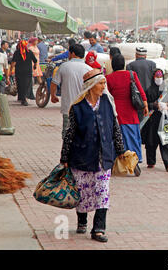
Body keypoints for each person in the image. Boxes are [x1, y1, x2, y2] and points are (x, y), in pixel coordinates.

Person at [60, 69, 125, 243]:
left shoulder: (107, 103)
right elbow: (70, 133)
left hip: (103, 158)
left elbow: (114, 128)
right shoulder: (77, 107)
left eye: (104, 83)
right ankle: (82, 220)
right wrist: (64, 158)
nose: (104, 86)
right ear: (91, 86)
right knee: (82, 192)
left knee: (102, 192)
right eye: (101, 83)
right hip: (81, 156)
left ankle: (98, 229)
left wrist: (121, 151)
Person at [106, 54, 148, 168]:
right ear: (123, 64)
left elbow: (107, 97)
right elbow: (140, 90)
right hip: (131, 111)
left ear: (113, 65)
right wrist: (145, 105)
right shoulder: (131, 75)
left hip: (116, 112)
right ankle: (135, 160)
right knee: (132, 136)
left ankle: (116, 161)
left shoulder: (108, 78)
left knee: (116, 137)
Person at [51, 44, 92, 138]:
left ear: (72, 54)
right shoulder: (89, 69)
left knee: (67, 136)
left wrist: (53, 95)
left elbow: (54, 83)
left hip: (68, 108)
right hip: (84, 109)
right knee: (82, 136)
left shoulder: (64, 66)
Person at [141, 69, 168, 172]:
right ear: (153, 78)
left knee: (166, 141)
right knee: (151, 142)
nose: (159, 79)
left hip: (164, 119)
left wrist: (167, 108)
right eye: (157, 77)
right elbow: (145, 104)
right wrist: (154, 105)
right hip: (152, 120)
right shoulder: (148, 90)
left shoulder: (167, 91)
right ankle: (151, 161)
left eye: (160, 78)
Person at [126, 47, 156, 122]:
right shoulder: (152, 64)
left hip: (136, 96)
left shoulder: (130, 65)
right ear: (145, 56)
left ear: (136, 55)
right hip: (149, 96)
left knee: (138, 118)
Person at [6, 40, 37, 106]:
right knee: (27, 85)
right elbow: (35, 60)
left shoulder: (17, 52)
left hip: (19, 72)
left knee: (20, 84)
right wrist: (35, 66)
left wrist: (11, 70)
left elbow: (13, 63)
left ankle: (23, 98)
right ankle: (23, 98)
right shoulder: (29, 52)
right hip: (28, 71)